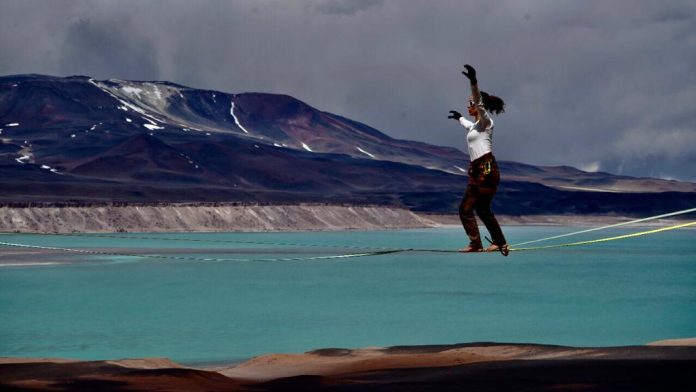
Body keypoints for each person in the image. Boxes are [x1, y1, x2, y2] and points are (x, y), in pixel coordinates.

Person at [448, 64, 509, 256]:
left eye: (471, 103)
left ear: (478, 104)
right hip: (479, 170)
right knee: (475, 209)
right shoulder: (476, 126)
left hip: (486, 169)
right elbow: (468, 127)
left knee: (472, 208)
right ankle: (493, 243)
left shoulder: (486, 121)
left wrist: (473, 82)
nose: (469, 105)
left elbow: (478, 104)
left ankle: (485, 243)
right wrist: (459, 118)